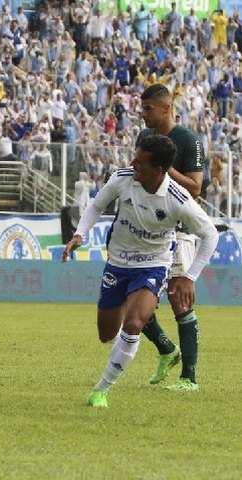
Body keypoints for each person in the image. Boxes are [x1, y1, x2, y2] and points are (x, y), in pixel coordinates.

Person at [62, 135, 218, 408]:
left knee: (134, 323)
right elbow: (97, 205)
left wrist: (190, 277)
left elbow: (210, 235)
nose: (133, 163)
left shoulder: (177, 198)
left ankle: (101, 390)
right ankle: (165, 350)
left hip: (153, 264)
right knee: (106, 334)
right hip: (118, 262)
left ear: (159, 170)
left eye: (139, 161)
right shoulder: (122, 179)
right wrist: (79, 234)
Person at [136, 84, 207, 391]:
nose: (143, 113)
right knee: (135, 301)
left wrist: (164, 169)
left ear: (166, 109)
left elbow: (195, 187)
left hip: (179, 228)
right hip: (148, 225)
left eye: (149, 108)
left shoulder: (189, 140)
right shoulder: (143, 138)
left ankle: (189, 377)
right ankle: (167, 350)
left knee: (178, 297)